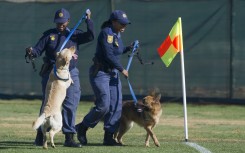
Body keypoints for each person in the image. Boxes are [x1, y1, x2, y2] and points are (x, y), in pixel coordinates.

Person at [25, 8, 94, 147]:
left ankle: (69, 137)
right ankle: (40, 135)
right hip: (51, 73)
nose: (60, 24)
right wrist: (31, 51)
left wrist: (88, 20)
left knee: (71, 103)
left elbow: (91, 36)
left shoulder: (75, 35)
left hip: (70, 73)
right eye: (58, 22)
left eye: (63, 22)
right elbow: (37, 50)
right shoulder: (49, 35)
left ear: (68, 21)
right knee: (48, 104)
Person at [76, 10, 132, 146]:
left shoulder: (117, 33)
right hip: (101, 73)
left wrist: (129, 48)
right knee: (104, 105)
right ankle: (82, 127)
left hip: (113, 74)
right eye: (122, 23)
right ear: (113, 22)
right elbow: (108, 55)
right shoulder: (106, 33)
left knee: (116, 106)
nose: (124, 25)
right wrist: (122, 69)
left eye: (126, 23)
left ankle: (108, 137)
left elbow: (117, 50)